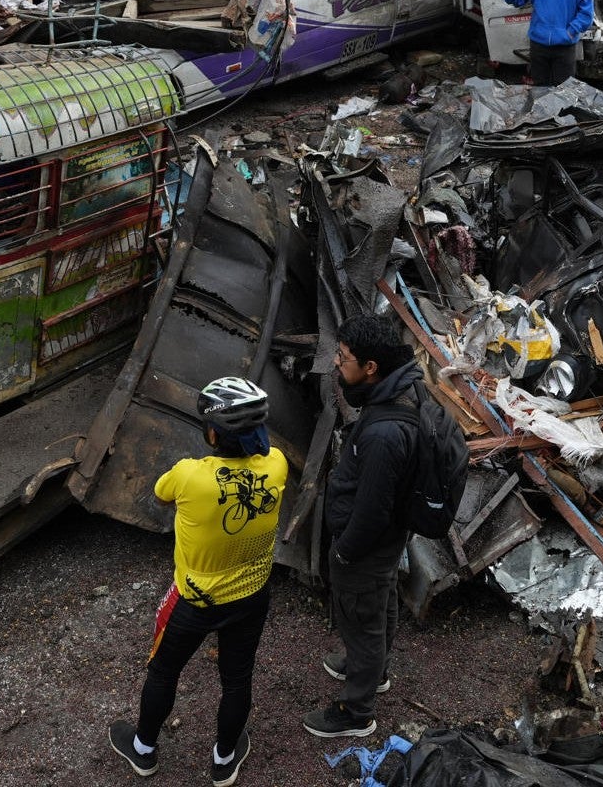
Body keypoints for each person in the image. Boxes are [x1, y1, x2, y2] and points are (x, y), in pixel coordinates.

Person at [108, 377, 288, 787]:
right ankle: (224, 759)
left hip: (194, 600)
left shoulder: (189, 475)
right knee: (237, 679)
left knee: (164, 673)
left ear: (211, 433)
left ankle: (144, 751)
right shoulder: (277, 465)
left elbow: (159, 495)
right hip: (251, 595)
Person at [306, 314, 456, 739]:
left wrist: (344, 551)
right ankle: (374, 669)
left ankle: (357, 713)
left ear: (371, 367)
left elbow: (371, 510)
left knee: (363, 619)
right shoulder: (402, 386)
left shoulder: (386, 434)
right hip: (389, 539)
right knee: (381, 599)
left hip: (367, 543)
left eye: (345, 357)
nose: (337, 363)